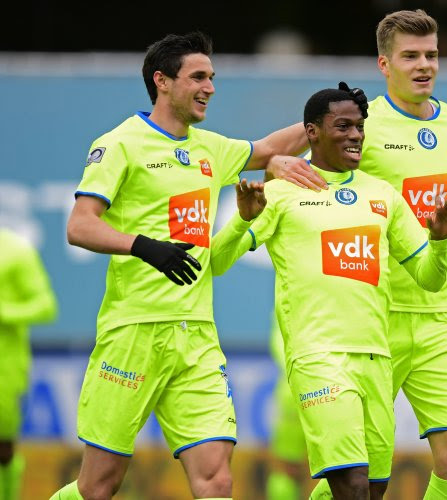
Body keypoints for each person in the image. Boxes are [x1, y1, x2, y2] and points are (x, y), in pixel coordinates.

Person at [52, 31, 325, 500]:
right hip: (133, 334)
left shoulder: (207, 148)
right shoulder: (120, 144)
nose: (210, 87)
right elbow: (80, 226)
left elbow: (266, 149)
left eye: (212, 78)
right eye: (198, 77)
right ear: (162, 81)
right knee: (98, 486)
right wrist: (144, 246)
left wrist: (326, 114)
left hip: (196, 337)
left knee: (216, 479)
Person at [210, 83, 447, 499]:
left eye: (360, 127)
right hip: (318, 357)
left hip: (376, 357)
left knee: (371, 487)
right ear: (311, 132)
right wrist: (242, 220)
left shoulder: (382, 196)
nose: (355, 135)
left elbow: (430, 278)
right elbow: (216, 263)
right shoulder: (279, 195)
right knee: (351, 485)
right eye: (343, 126)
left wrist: (439, 241)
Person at [310, 10, 447, 500]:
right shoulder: (360, 126)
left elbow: (442, 207)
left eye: (431, 54)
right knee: (358, 478)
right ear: (384, 64)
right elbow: (313, 188)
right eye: (410, 56)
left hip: (436, 316)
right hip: (373, 318)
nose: (423, 65)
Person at [0, 229, 58, 500]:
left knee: (3, 448)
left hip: (5, 368)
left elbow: (46, 305)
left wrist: (3, 312)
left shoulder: (15, 250)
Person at [265, 310, 308, 500]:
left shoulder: (285, 295)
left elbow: (278, 344)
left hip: (291, 388)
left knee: (287, 469)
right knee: (340, 467)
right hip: (328, 390)